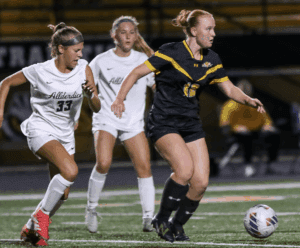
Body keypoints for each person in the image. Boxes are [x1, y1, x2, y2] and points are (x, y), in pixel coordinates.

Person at [111, 9, 266, 243]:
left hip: (190, 124)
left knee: (201, 182)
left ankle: (176, 225)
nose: (213, 33)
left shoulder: (212, 59)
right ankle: (161, 219)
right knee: (184, 171)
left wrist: (247, 99)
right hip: (163, 122)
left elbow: (229, 88)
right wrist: (119, 98)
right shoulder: (172, 52)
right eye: (209, 28)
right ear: (194, 31)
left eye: (214, 28)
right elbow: (136, 72)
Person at [0, 22, 100, 246]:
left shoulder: (84, 68)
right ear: (61, 49)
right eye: (76, 50)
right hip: (40, 129)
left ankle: (30, 228)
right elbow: (5, 83)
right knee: (70, 170)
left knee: (62, 195)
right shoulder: (40, 70)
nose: (80, 54)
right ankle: (41, 216)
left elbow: (97, 107)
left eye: (81, 49)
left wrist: (91, 95)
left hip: (65, 134)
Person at [85, 16, 156, 233]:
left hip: (133, 122)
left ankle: (148, 217)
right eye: (123, 32)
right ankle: (91, 209)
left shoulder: (143, 59)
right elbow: (88, 91)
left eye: (132, 32)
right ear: (113, 35)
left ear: (137, 36)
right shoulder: (100, 61)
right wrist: (90, 101)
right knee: (104, 163)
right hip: (106, 118)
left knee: (144, 167)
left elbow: (156, 85)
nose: (128, 36)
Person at [219, 79, 280, 177]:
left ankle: (270, 163)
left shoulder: (255, 104)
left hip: (257, 131)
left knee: (274, 135)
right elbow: (224, 126)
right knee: (246, 137)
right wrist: (235, 128)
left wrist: (267, 126)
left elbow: (267, 121)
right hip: (239, 134)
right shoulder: (229, 106)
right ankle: (248, 166)